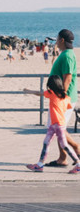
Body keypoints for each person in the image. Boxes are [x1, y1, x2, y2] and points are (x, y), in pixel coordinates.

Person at [23, 75, 80, 174]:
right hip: (54, 125)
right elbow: (67, 107)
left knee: (64, 145)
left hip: (58, 125)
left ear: (51, 86)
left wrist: (28, 91)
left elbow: (38, 93)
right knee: (46, 143)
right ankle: (40, 165)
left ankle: (78, 164)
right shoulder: (66, 97)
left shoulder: (51, 93)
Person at [44, 29, 80, 167]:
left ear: (62, 40)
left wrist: (61, 95)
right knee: (59, 126)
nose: (56, 41)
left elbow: (68, 77)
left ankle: (76, 148)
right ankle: (62, 158)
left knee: (58, 127)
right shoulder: (66, 54)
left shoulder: (67, 56)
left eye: (57, 39)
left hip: (64, 98)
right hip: (62, 97)